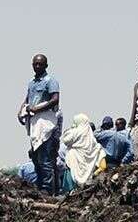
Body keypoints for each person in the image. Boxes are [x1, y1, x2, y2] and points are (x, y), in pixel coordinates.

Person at [20, 54, 60, 195]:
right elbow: (27, 100)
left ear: (45, 66)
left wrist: (37, 109)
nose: (37, 67)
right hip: (34, 125)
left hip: (46, 125)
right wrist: (21, 112)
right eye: (35, 64)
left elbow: (55, 100)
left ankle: (48, 190)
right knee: (36, 158)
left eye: (40, 64)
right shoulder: (32, 82)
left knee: (46, 160)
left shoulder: (51, 81)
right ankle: (40, 186)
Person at [60, 113, 106, 191]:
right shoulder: (96, 147)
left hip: (72, 176)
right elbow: (103, 166)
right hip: (88, 185)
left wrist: (72, 128)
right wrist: (93, 175)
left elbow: (65, 140)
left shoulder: (74, 134)